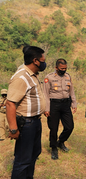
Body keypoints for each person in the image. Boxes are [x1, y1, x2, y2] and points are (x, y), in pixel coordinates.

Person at [6, 46, 46, 179]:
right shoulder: (21, 77)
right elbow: (10, 103)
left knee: (33, 155)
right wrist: (13, 129)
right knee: (23, 160)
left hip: (35, 122)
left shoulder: (33, 75)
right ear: (35, 61)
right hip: (27, 125)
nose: (44, 62)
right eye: (42, 60)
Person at [43, 59, 77, 160]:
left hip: (65, 104)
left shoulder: (68, 76)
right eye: (62, 69)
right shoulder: (49, 77)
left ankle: (60, 142)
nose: (64, 70)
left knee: (69, 126)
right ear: (56, 68)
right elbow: (45, 94)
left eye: (65, 68)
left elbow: (71, 91)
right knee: (53, 128)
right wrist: (47, 108)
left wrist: (73, 103)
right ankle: (54, 148)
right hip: (54, 104)